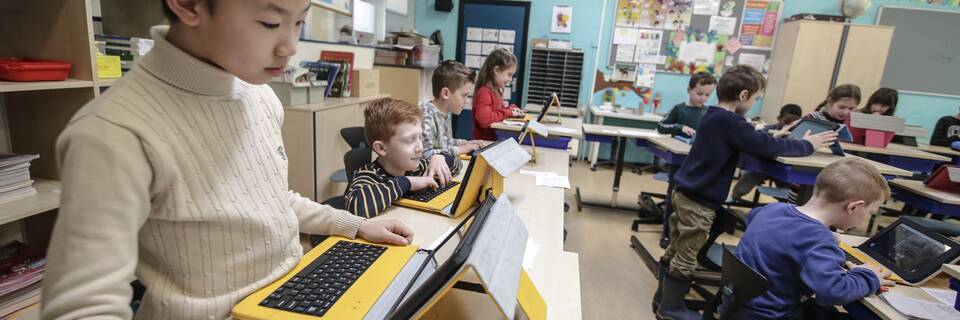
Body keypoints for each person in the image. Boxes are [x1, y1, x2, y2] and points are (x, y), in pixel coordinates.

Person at [41, 1, 414, 318]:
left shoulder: (259, 97)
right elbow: (82, 305)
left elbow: (269, 200)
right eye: (269, 22)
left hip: (293, 295)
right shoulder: (113, 132)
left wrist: (352, 224)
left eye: (299, 22)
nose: (290, 46)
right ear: (188, 4)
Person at [652, 65, 837, 320]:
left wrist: (774, 134)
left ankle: (662, 299)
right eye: (756, 97)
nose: (755, 102)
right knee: (687, 253)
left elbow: (751, 138)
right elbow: (763, 146)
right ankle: (671, 310)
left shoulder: (713, 114)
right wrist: (808, 144)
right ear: (743, 95)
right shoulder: (731, 121)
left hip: (685, 193)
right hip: (700, 201)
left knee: (676, 246)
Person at [735, 158, 895, 319]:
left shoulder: (773, 209)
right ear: (853, 207)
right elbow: (833, 293)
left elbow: (752, 219)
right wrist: (868, 276)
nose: (867, 218)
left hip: (742, 308)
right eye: (870, 213)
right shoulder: (818, 240)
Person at [345, 98, 462, 218]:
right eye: (409, 140)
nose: (420, 147)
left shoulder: (417, 167)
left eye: (420, 137)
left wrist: (439, 158)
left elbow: (457, 165)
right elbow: (356, 207)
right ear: (381, 148)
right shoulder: (368, 176)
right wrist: (409, 182)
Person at [420, 60, 484, 186]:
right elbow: (424, 155)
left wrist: (465, 143)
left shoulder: (444, 112)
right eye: (464, 96)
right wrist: (460, 149)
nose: (466, 102)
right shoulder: (426, 115)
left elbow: (445, 142)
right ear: (445, 93)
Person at [729, 104, 803, 202]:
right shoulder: (768, 129)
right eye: (786, 122)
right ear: (779, 118)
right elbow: (757, 144)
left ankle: (784, 204)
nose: (788, 126)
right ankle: (735, 197)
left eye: (793, 124)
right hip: (761, 166)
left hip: (783, 169)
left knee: (789, 191)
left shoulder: (798, 135)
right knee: (743, 187)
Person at [472, 48, 523, 141]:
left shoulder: (495, 91)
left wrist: (511, 109)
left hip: (493, 143)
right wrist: (509, 113)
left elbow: (497, 112)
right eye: (509, 74)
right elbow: (485, 119)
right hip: (485, 145)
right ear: (497, 70)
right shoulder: (484, 92)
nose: (510, 80)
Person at [656, 72, 717, 138]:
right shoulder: (678, 109)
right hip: (677, 147)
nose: (703, 98)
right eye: (699, 93)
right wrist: (680, 127)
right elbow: (660, 126)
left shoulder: (709, 112)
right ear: (689, 89)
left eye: (707, 95)